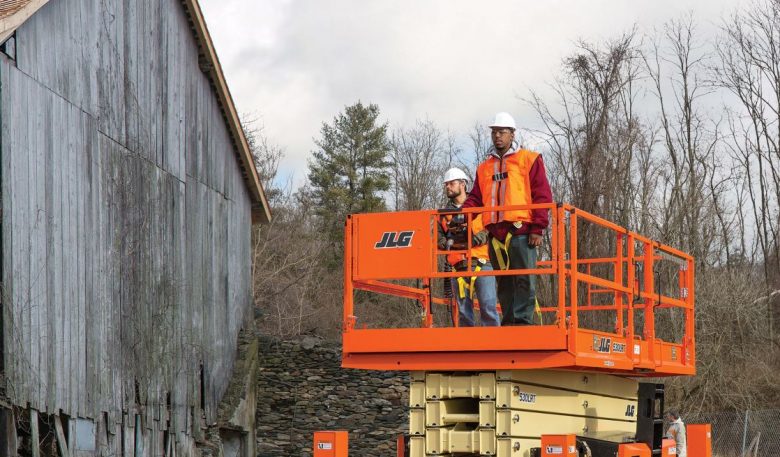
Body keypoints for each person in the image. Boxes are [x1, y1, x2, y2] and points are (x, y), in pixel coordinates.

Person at [462, 112, 553, 326]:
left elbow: (542, 195)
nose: (497, 137)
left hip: (521, 231)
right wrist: (462, 213)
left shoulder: (529, 160)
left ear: (512, 134)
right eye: (494, 133)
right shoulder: (484, 167)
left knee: (524, 279)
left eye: (502, 132)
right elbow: (476, 196)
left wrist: (537, 228)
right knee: (503, 282)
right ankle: (509, 322)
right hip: (495, 234)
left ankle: (522, 323)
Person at [437, 167, 500, 327]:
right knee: (464, 313)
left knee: (488, 308)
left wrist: (475, 239)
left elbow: (491, 227)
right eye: (446, 184)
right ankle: (468, 349)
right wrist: (452, 244)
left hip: (482, 263)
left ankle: (495, 347)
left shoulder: (480, 206)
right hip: (458, 267)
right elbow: (438, 238)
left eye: (451, 183)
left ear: (463, 184)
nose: (448, 187)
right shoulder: (442, 214)